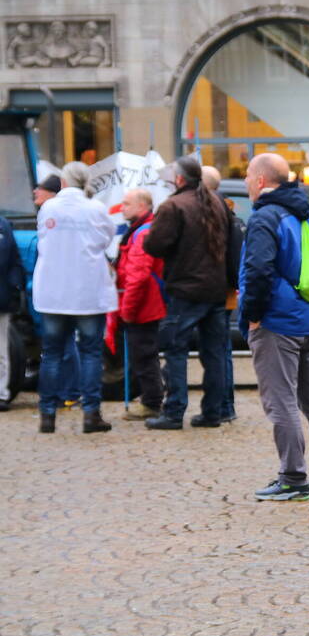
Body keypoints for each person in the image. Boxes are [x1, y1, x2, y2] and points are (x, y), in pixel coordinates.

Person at [239, 153, 309, 501]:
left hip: (276, 321)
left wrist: (252, 314)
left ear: (262, 181)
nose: (247, 182)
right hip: (307, 316)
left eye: (250, 176)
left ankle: (293, 477)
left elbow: (258, 270)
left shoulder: (266, 217)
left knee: (280, 401)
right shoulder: (303, 213)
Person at [142, 156, 231, 430]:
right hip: (215, 288)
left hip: (186, 289)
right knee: (214, 353)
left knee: (176, 351)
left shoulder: (173, 206)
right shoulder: (216, 202)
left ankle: (174, 412)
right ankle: (213, 411)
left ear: (179, 179)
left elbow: (154, 245)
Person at [34, 162, 118, 434]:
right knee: (91, 353)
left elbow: (43, 237)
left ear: (64, 182)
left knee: (52, 354)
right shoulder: (95, 208)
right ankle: (91, 413)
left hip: (54, 291)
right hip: (86, 291)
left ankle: (47, 414)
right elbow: (107, 239)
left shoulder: (49, 208)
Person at [31, 174, 82, 407]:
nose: (35, 192)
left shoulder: (55, 216)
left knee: (63, 344)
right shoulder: (47, 214)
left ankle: (67, 392)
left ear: (52, 193)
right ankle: (61, 393)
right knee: (60, 344)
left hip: (59, 290)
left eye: (40, 188)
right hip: (54, 289)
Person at [116, 188, 165, 421]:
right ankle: (151, 398)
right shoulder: (142, 230)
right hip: (146, 301)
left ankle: (151, 402)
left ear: (141, 207)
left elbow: (138, 275)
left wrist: (127, 309)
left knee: (144, 354)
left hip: (144, 304)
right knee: (144, 353)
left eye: (126, 203)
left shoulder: (142, 233)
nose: (122, 207)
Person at [202, 164, 240, 422]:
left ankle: (223, 406)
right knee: (222, 348)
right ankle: (226, 405)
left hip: (218, 288)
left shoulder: (214, 212)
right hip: (226, 287)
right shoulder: (228, 211)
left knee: (218, 349)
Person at [0, 211, 25, 411]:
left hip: (2, 297)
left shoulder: (4, 226)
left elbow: (14, 260)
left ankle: (1, 393)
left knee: (1, 349)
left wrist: (15, 286)